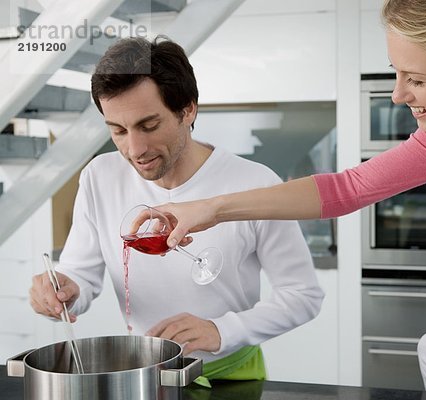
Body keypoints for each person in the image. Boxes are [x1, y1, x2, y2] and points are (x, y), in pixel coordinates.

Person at [136, 1, 426, 399]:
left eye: (416, 79)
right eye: (399, 73)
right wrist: (210, 209)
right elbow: (348, 189)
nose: (399, 94)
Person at [28, 36, 324, 386]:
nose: (135, 149)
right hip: (141, 375)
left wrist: (221, 330)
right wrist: (63, 290)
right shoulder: (99, 176)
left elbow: (303, 295)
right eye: (118, 131)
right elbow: (80, 273)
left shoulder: (256, 183)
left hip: (230, 375)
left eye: (149, 126)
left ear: (188, 110)